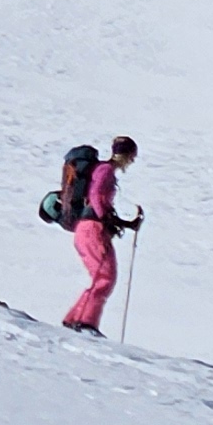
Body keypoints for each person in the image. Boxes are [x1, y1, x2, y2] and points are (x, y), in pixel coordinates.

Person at [61, 135, 143, 334]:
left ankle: (75, 319)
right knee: (105, 276)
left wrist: (123, 223)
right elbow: (96, 195)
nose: (132, 161)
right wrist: (105, 218)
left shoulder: (103, 170)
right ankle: (85, 323)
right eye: (131, 156)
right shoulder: (105, 170)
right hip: (92, 229)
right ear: (124, 155)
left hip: (88, 228)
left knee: (103, 275)